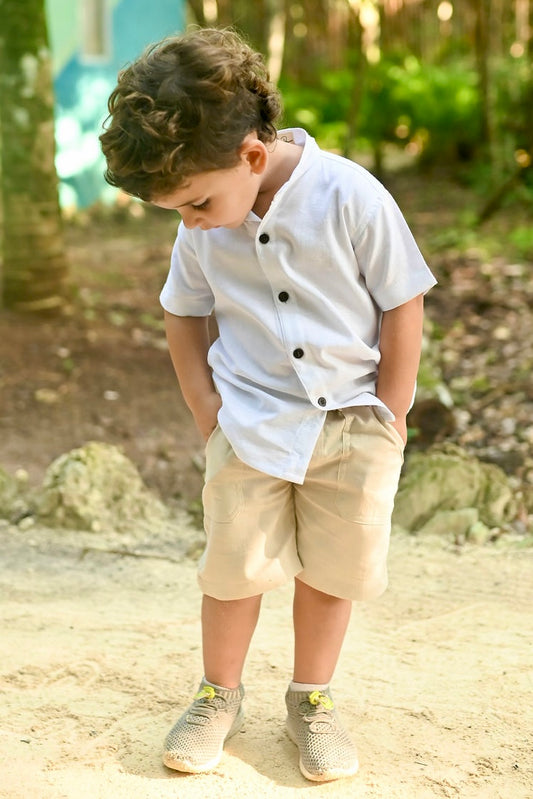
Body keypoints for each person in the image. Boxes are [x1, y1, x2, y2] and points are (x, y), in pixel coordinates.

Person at [100, 27, 436, 783]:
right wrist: (205, 407)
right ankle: (218, 690)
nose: (189, 221)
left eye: (194, 203)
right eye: (177, 211)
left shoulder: (350, 195)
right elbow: (182, 312)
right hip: (248, 424)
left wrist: (392, 411)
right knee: (233, 568)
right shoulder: (204, 222)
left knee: (331, 569)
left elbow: (402, 300)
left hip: (351, 423)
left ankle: (310, 699)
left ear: (251, 155)